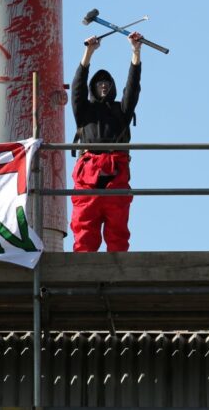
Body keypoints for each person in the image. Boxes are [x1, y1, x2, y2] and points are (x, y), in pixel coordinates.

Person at [70, 32, 143, 252]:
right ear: (94, 86)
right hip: (88, 174)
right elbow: (77, 88)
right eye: (99, 82)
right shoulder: (84, 111)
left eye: (107, 82)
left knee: (118, 231)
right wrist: (88, 53)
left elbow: (133, 88)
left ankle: (117, 274)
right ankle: (82, 275)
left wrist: (135, 52)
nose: (103, 85)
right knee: (84, 230)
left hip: (116, 172)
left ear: (112, 86)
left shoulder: (121, 110)